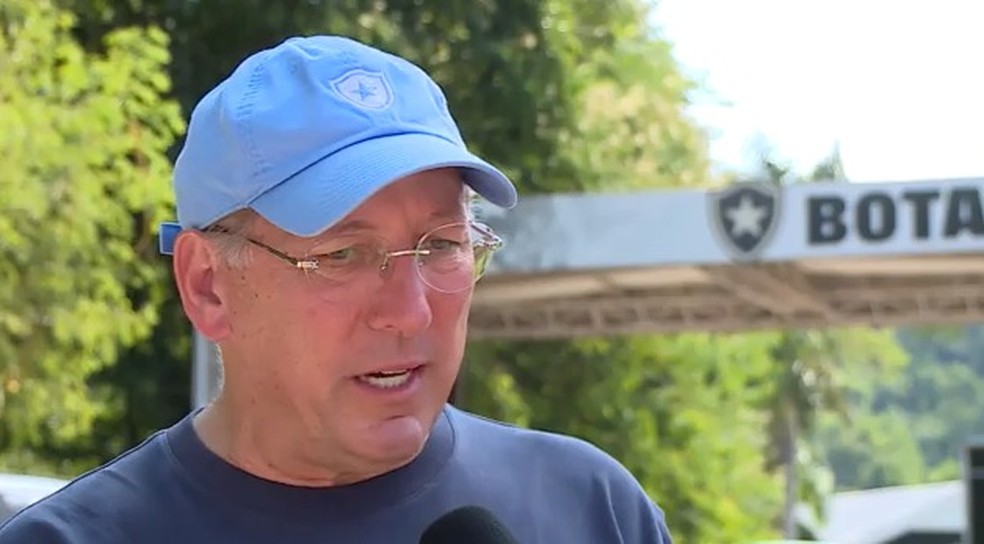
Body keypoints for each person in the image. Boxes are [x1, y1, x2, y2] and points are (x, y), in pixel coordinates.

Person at [0, 35, 672, 543]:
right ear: (207, 285)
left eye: (441, 246)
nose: (409, 313)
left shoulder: (590, 508)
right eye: (343, 254)